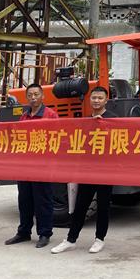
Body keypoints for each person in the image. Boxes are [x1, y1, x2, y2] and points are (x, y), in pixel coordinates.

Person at [51, 86, 116, 255]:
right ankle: (71, 239)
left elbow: (118, 143)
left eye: (100, 98)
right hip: (87, 170)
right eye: (93, 98)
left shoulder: (113, 119)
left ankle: (99, 239)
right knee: (80, 205)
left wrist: (105, 127)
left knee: (103, 206)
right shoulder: (86, 120)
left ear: (106, 100)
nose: (96, 101)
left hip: (106, 171)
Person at [4, 82, 59, 248]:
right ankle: (24, 232)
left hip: (42, 165)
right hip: (25, 165)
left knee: (43, 200)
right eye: (30, 95)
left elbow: (58, 139)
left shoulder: (51, 115)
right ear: (27, 98)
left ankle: (44, 233)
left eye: (36, 95)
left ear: (43, 96)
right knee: (25, 200)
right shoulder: (24, 115)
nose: (33, 98)